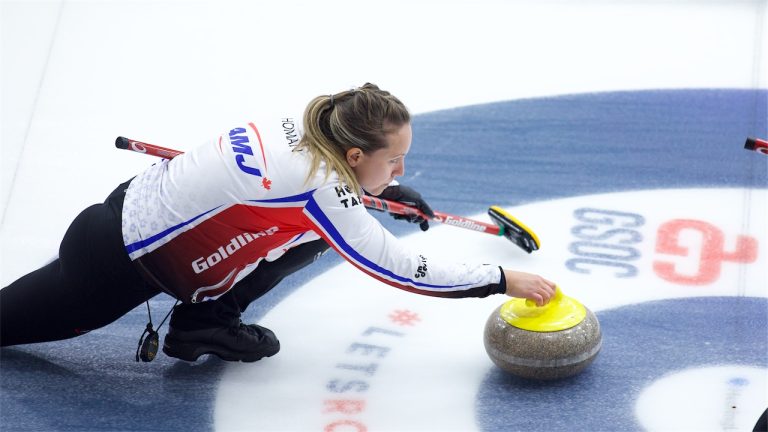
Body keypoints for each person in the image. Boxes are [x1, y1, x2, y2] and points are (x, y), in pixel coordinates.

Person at [0, 83, 556, 362]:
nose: (402, 169)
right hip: (110, 271)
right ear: (355, 156)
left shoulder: (307, 121)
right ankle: (202, 321)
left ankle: (202, 323)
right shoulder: (322, 187)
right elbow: (399, 267)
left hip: (116, 220)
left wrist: (369, 189)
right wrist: (502, 280)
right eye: (393, 160)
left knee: (312, 236)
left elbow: (309, 197)